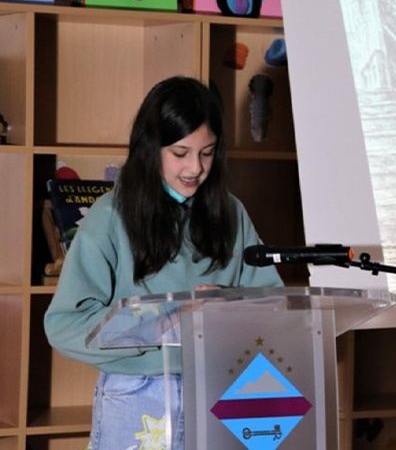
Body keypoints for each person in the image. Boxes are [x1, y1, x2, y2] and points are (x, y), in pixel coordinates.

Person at [43, 76, 284, 450]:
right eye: (180, 153)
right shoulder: (109, 216)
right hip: (138, 394)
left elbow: (275, 305)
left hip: (219, 386)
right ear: (150, 148)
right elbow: (64, 325)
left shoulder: (231, 212)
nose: (195, 169)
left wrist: (227, 305)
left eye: (207, 153)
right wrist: (161, 323)